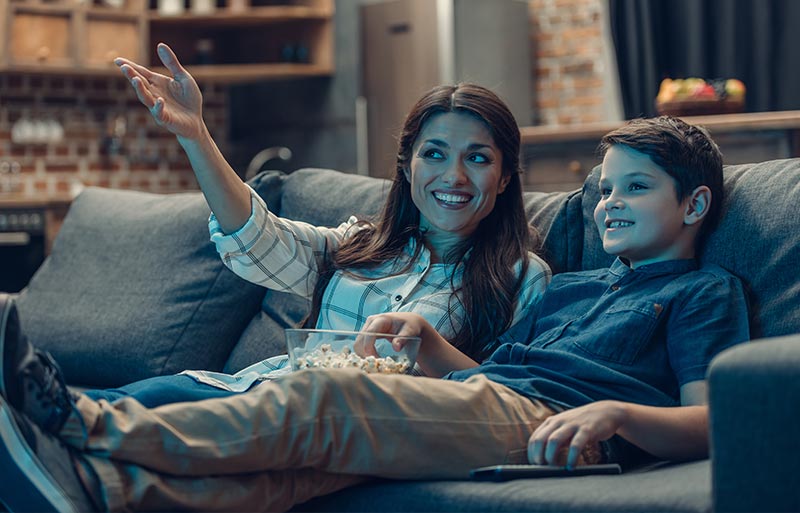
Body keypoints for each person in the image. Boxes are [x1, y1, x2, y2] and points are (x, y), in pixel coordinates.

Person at [0, 115, 750, 513]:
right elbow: (488, 377)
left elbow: (718, 420)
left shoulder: (701, 290)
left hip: (559, 427)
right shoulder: (574, 287)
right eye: (604, 190)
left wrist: (614, 413)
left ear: (694, 204)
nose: (610, 203)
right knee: (305, 474)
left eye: (636, 188)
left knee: (324, 397)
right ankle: (103, 490)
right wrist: (429, 346)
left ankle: (80, 420)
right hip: (494, 402)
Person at [79, 43, 550, 407]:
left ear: (505, 175)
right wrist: (195, 135)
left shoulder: (521, 277)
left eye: (478, 158)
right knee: (114, 404)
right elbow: (258, 240)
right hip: (258, 390)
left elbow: (501, 396)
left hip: (325, 423)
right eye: (434, 154)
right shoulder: (360, 245)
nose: (454, 176)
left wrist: (424, 343)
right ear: (407, 168)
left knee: (111, 419)